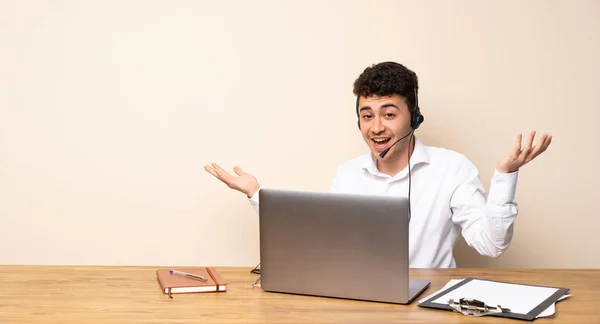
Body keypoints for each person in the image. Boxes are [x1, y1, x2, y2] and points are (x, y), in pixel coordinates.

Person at [204, 61, 552, 268]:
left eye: (389, 114)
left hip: (429, 305)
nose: (376, 127)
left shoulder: (453, 168)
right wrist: (255, 194)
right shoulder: (348, 174)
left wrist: (505, 176)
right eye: (366, 115)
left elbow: (492, 245)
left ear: (414, 117)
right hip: (361, 304)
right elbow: (320, 239)